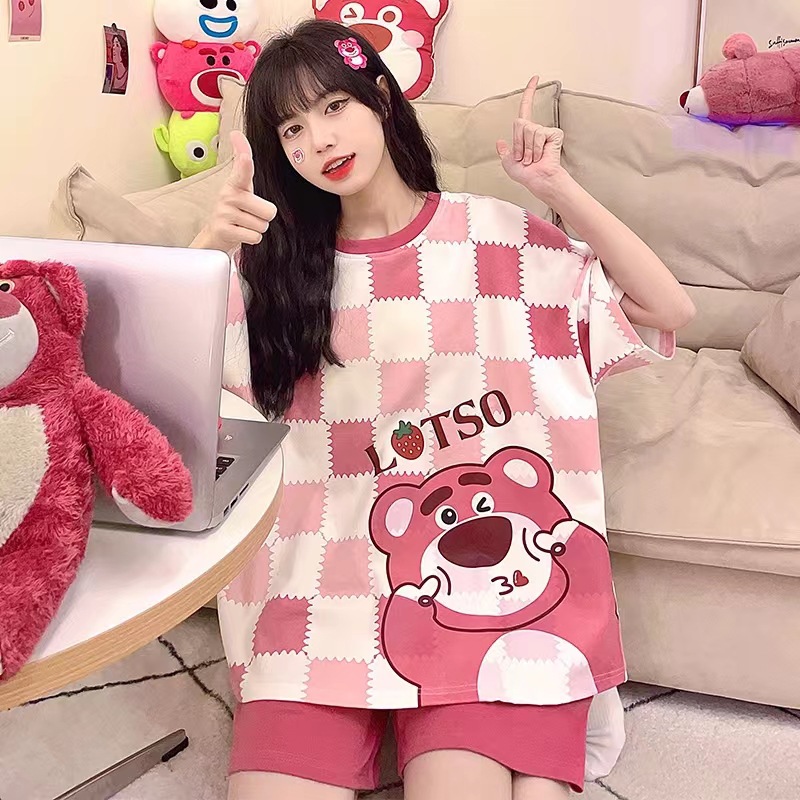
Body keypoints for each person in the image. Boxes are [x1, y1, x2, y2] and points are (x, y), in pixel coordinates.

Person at [191, 19, 695, 800]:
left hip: (488, 600)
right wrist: (205, 250)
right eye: (291, 130)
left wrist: (558, 190)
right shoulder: (273, 275)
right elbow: (157, 390)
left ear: (381, 98)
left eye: (333, 107)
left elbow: (667, 309)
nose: (319, 141)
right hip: (316, 595)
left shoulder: (496, 237)